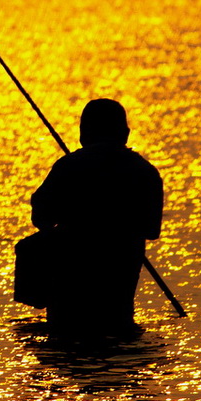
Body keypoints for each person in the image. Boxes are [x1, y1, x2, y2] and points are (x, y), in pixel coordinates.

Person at [31, 98, 163, 337]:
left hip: (68, 303)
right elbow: (152, 231)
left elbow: (41, 218)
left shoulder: (67, 167)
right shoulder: (145, 172)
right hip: (118, 303)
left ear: (83, 133)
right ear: (125, 133)